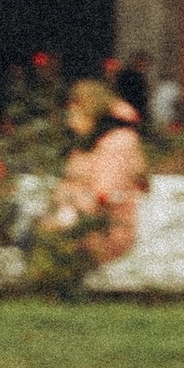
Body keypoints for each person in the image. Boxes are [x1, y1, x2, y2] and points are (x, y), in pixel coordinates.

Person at [51, 73, 146, 262]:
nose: (69, 121)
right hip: (82, 226)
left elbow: (105, 194)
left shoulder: (116, 143)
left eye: (73, 113)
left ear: (89, 110)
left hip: (105, 232)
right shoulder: (89, 142)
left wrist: (66, 215)